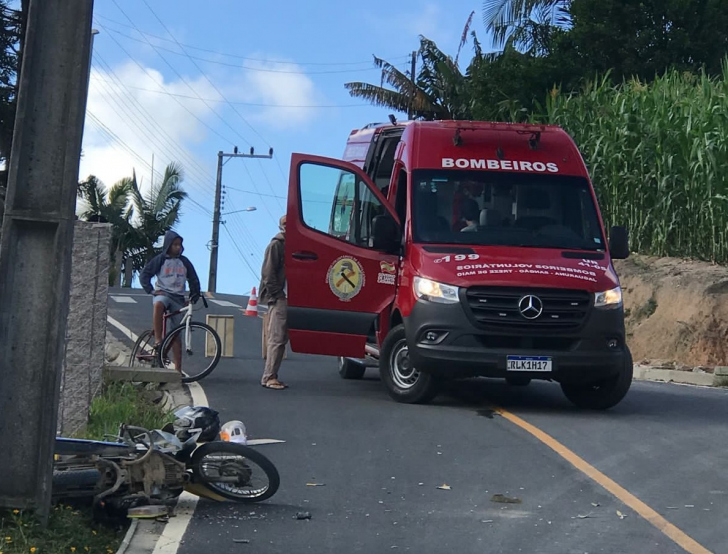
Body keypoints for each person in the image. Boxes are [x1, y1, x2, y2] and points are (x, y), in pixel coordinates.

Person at [140, 230, 201, 372]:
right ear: (168, 245)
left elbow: (193, 280)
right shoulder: (160, 260)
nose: (178, 247)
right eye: (175, 245)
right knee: (159, 304)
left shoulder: (184, 262)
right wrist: (151, 291)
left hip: (178, 297)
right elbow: (145, 275)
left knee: (176, 333)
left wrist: (193, 297)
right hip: (163, 293)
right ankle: (157, 340)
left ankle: (178, 370)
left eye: (180, 245)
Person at [259, 215, 288, 390]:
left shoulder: (290, 245)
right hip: (280, 297)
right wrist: (277, 294)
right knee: (276, 338)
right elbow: (267, 274)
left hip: (286, 297)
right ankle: (269, 376)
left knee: (281, 338)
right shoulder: (276, 245)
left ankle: (273, 375)